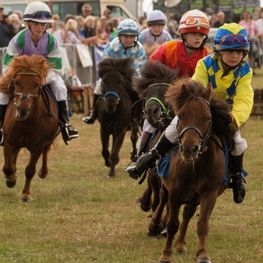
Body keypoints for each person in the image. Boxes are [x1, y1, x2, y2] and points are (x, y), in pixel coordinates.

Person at [127, 23, 254, 205]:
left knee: (239, 144)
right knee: (171, 129)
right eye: (229, 51)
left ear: (244, 54)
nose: (234, 56)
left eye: (239, 52)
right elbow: (196, 89)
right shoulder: (205, 64)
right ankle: (149, 158)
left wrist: (234, 118)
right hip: (201, 107)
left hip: (225, 113)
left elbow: (244, 98)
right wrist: (193, 110)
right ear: (218, 51)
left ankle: (236, 177)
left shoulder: (245, 72)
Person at [0, 1, 79, 144]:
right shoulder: (18, 40)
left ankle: (65, 125)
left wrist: (42, 80)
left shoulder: (52, 41)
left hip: (45, 76)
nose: (40, 27)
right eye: (36, 23)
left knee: (61, 88)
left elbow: (55, 68)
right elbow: (7, 65)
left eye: (43, 24)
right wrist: (13, 78)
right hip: (20, 76)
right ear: (28, 23)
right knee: (2, 94)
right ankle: (0, 129)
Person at [137, 9, 211, 159]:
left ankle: (231, 169)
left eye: (201, 35)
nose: (197, 38)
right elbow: (150, 70)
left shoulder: (208, 56)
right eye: (193, 34)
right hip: (168, 98)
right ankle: (141, 156)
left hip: (194, 102)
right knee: (149, 123)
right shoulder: (167, 48)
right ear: (183, 35)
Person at [82, 18, 146, 124]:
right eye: (126, 36)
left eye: (132, 36)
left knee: (140, 89)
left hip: (131, 76)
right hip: (114, 76)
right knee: (98, 86)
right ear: (120, 36)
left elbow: (140, 65)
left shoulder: (140, 48)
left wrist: (125, 71)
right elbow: (106, 62)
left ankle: (141, 113)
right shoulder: (111, 46)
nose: (129, 39)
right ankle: (93, 113)